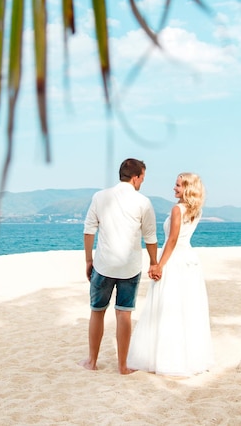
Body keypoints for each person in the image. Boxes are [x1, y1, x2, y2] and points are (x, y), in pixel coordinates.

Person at [127, 172, 214, 377]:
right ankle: (189, 358)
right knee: (186, 309)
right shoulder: (196, 210)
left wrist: (158, 265)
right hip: (189, 261)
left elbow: (172, 240)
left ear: (187, 188)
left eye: (178, 185)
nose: (174, 188)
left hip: (174, 260)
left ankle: (166, 358)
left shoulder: (177, 209)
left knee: (167, 308)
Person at [78, 158, 158, 375]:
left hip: (103, 265)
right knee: (124, 314)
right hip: (130, 268)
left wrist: (88, 260)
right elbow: (150, 237)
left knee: (97, 312)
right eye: (143, 177)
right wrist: (154, 262)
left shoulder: (100, 197)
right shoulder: (143, 202)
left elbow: (89, 231)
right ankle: (123, 366)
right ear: (136, 177)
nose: (142, 181)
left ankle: (92, 361)